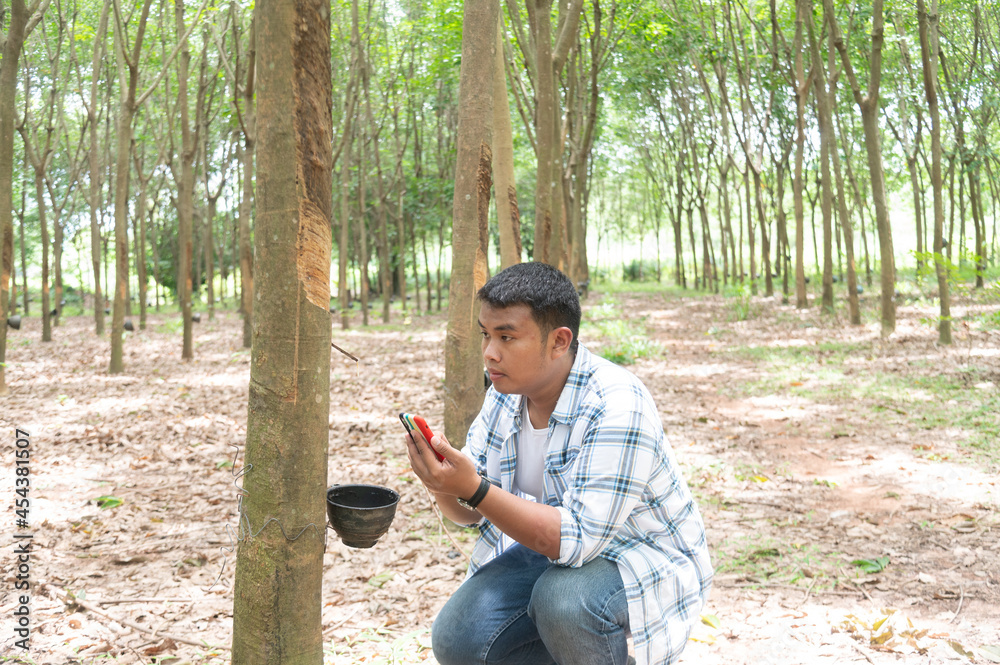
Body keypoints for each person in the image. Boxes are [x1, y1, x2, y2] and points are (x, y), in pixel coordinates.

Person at [405, 262, 712, 665]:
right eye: (486, 334)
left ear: (559, 341)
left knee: (563, 602)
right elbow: (473, 514)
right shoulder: (505, 395)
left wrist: (473, 489)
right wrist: (443, 484)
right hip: (554, 548)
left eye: (506, 337)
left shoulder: (616, 404)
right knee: (458, 637)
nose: (490, 352)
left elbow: (577, 538)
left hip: (641, 555)